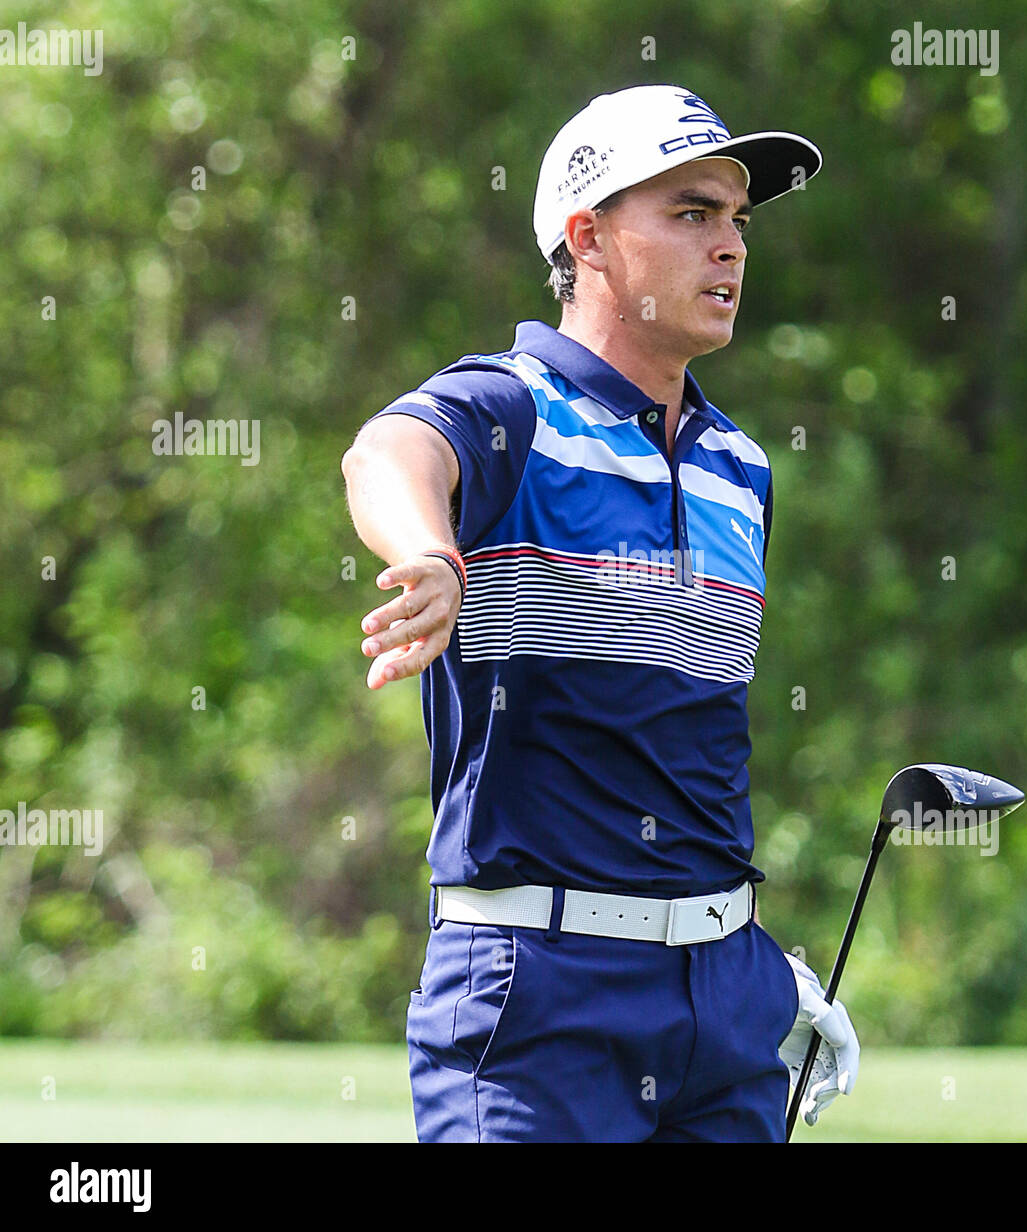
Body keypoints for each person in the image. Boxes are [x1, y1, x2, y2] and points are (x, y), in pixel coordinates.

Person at [341, 83, 858, 1142]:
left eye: (738, 220)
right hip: (537, 1000)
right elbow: (388, 449)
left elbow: (683, 751)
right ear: (589, 238)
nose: (731, 247)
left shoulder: (738, 467)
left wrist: (752, 964)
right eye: (691, 213)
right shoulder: (514, 407)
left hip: (725, 1003)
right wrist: (429, 551)